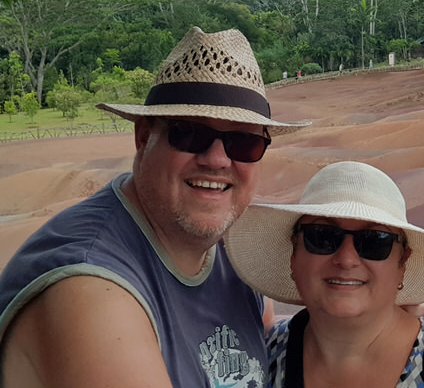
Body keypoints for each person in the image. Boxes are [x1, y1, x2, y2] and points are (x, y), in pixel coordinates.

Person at [0, 27, 311, 388]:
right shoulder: (90, 287)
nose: (216, 159)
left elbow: (263, 333)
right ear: (144, 136)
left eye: (243, 142)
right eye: (189, 133)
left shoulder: (230, 249)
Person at [225, 161, 424, 388]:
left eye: (375, 241)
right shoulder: (263, 354)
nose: (346, 259)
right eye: (322, 236)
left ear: (402, 262)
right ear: (294, 255)